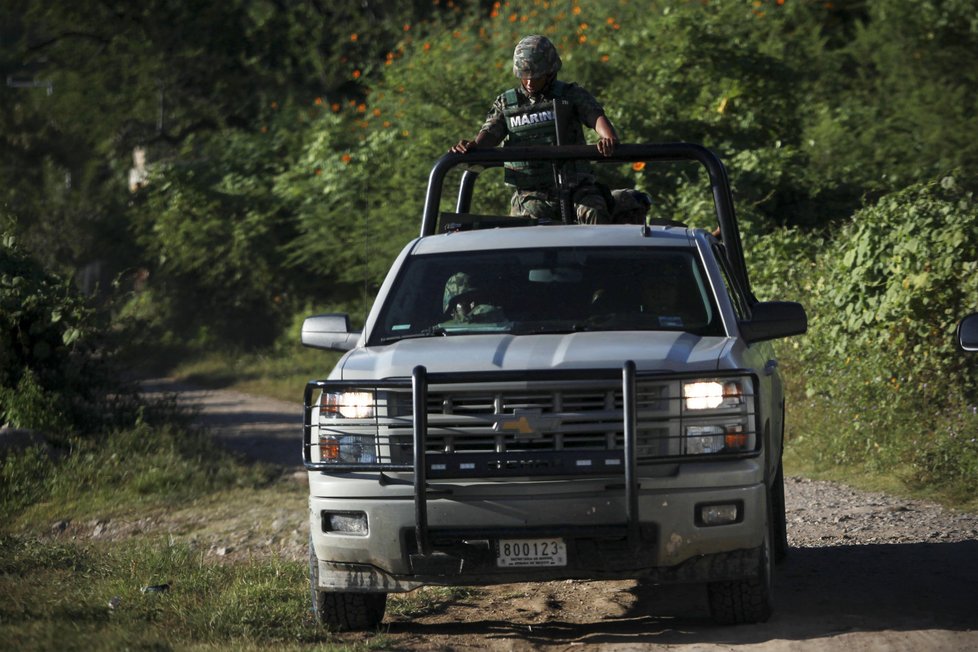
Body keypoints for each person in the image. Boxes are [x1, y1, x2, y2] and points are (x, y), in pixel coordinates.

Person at [451, 35, 620, 224]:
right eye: (525, 76)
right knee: (524, 234)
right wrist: (474, 146)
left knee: (595, 213)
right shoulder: (507, 103)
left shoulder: (570, 94)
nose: (530, 82)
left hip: (577, 189)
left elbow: (594, 116)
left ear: (550, 73)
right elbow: (491, 132)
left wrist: (608, 138)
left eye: (536, 76)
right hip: (530, 196)